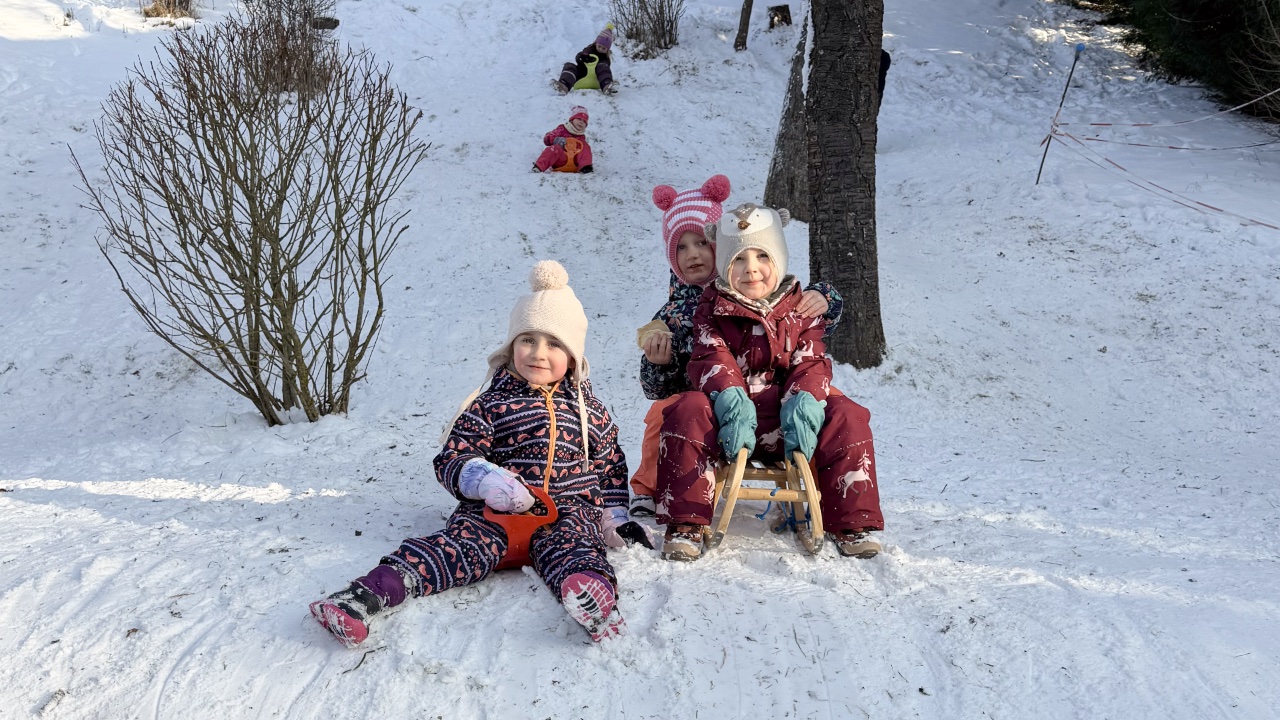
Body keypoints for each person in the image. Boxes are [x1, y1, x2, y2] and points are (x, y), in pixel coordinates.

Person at [310, 261, 631, 646]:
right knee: (456, 549)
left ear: (574, 354)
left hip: (567, 512)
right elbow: (452, 458)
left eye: (554, 343)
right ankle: (367, 596)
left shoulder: (589, 411)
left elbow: (610, 465)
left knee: (577, 548)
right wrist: (484, 479)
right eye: (527, 339)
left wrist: (615, 517)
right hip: (496, 511)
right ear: (511, 345)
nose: (538, 353)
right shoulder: (490, 404)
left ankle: (591, 597)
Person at [654, 203, 883, 561]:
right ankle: (685, 521)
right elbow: (711, 357)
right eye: (738, 261)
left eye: (762, 256)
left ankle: (853, 521)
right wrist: (731, 403)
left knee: (847, 414)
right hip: (726, 419)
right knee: (687, 409)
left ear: (778, 258)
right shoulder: (711, 308)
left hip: (789, 421)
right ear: (724, 266)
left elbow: (812, 359)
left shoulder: (800, 307)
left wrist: (803, 405)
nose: (752, 269)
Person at [629, 177, 844, 517]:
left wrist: (824, 298)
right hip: (705, 402)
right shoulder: (671, 314)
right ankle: (650, 486)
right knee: (663, 412)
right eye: (681, 248)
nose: (693, 254)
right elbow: (657, 387)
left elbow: (795, 306)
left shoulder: (751, 282)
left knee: (823, 405)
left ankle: (825, 488)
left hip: (768, 395)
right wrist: (660, 363)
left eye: (701, 242)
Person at [552, 24, 617, 95]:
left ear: (607, 49)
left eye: (603, 48)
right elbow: (579, 57)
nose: (600, 49)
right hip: (583, 74)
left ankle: (607, 86)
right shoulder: (589, 50)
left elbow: (606, 65)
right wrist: (583, 57)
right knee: (569, 66)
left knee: (603, 67)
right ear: (596, 43)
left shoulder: (605, 57)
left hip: (596, 78)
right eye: (599, 46)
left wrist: (599, 63)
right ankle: (564, 85)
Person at [533, 106, 594, 174]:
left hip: (574, 162)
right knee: (554, 148)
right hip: (561, 159)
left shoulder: (582, 136)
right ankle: (539, 167)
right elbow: (548, 137)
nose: (581, 122)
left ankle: (586, 167)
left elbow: (582, 153)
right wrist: (555, 140)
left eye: (584, 121)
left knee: (585, 146)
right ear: (572, 119)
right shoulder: (562, 129)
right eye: (579, 119)